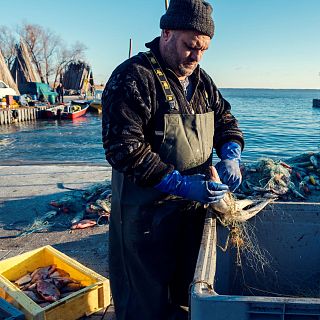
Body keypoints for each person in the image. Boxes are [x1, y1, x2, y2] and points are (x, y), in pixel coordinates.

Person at [101, 0, 244, 319]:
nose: (196, 56)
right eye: (190, 46)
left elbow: (225, 121)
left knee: (185, 289)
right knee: (144, 299)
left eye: (203, 49)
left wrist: (231, 152)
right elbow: (123, 148)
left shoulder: (202, 82)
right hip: (145, 219)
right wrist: (178, 183)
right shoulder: (133, 77)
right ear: (166, 33)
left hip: (190, 214)